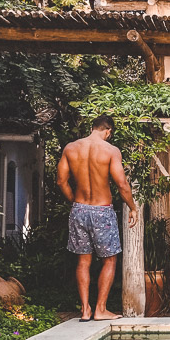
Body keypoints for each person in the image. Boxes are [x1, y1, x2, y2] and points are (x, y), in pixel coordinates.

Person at [57, 114, 137, 321]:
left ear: (93, 127)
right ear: (108, 131)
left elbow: (61, 181)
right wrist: (133, 207)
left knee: (83, 261)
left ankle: (85, 310)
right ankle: (100, 309)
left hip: (79, 209)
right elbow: (121, 184)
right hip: (102, 211)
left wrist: (74, 199)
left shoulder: (71, 148)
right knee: (109, 260)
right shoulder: (110, 151)